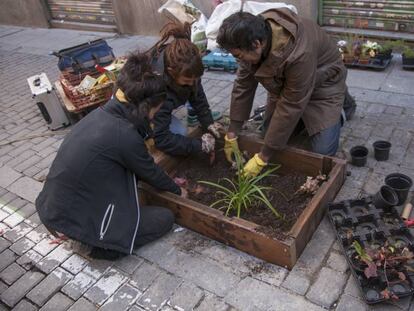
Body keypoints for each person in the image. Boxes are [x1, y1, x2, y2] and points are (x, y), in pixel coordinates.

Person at [35, 53, 185, 260]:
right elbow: (150, 172)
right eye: (156, 109)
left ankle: (83, 233)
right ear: (146, 107)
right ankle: (94, 246)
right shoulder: (125, 134)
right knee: (164, 218)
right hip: (71, 220)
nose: (155, 115)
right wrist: (179, 191)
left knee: (135, 203)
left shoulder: (102, 114)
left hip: (54, 207)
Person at [217, 9, 348, 177]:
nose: (239, 60)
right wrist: (232, 132)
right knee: (268, 135)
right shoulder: (252, 35)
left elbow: (291, 104)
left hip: (323, 86)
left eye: (239, 55)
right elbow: (243, 85)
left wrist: (262, 158)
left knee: (322, 152)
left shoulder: (299, 53)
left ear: (257, 44)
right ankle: (302, 119)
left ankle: (341, 107)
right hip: (289, 87)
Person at [148, 22, 223, 156]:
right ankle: (143, 133)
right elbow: (162, 138)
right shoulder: (156, 87)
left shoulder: (189, 68)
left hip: (160, 106)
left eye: (195, 80)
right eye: (187, 81)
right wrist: (199, 146)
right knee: (177, 134)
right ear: (171, 72)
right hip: (136, 112)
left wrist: (209, 124)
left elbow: (198, 98)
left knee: (179, 133)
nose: (192, 83)